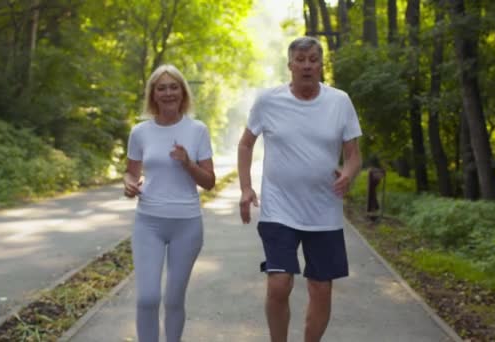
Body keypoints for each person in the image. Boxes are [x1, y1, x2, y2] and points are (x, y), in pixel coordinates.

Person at [237, 36, 362, 342]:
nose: (307, 66)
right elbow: (245, 144)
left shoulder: (339, 101)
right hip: (279, 208)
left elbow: (354, 155)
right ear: (290, 65)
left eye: (313, 60)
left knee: (321, 288)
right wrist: (246, 187)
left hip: (324, 210)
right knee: (279, 284)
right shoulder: (269, 100)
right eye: (301, 60)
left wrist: (348, 173)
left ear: (321, 65)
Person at [124, 64, 215, 342]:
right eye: (161, 88)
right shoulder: (140, 132)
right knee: (148, 298)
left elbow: (209, 182)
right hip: (148, 222)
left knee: (174, 300)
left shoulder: (197, 130)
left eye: (173, 87)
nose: (167, 93)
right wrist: (128, 183)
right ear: (153, 94)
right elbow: (131, 171)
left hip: (186, 224)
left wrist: (188, 162)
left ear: (182, 92)